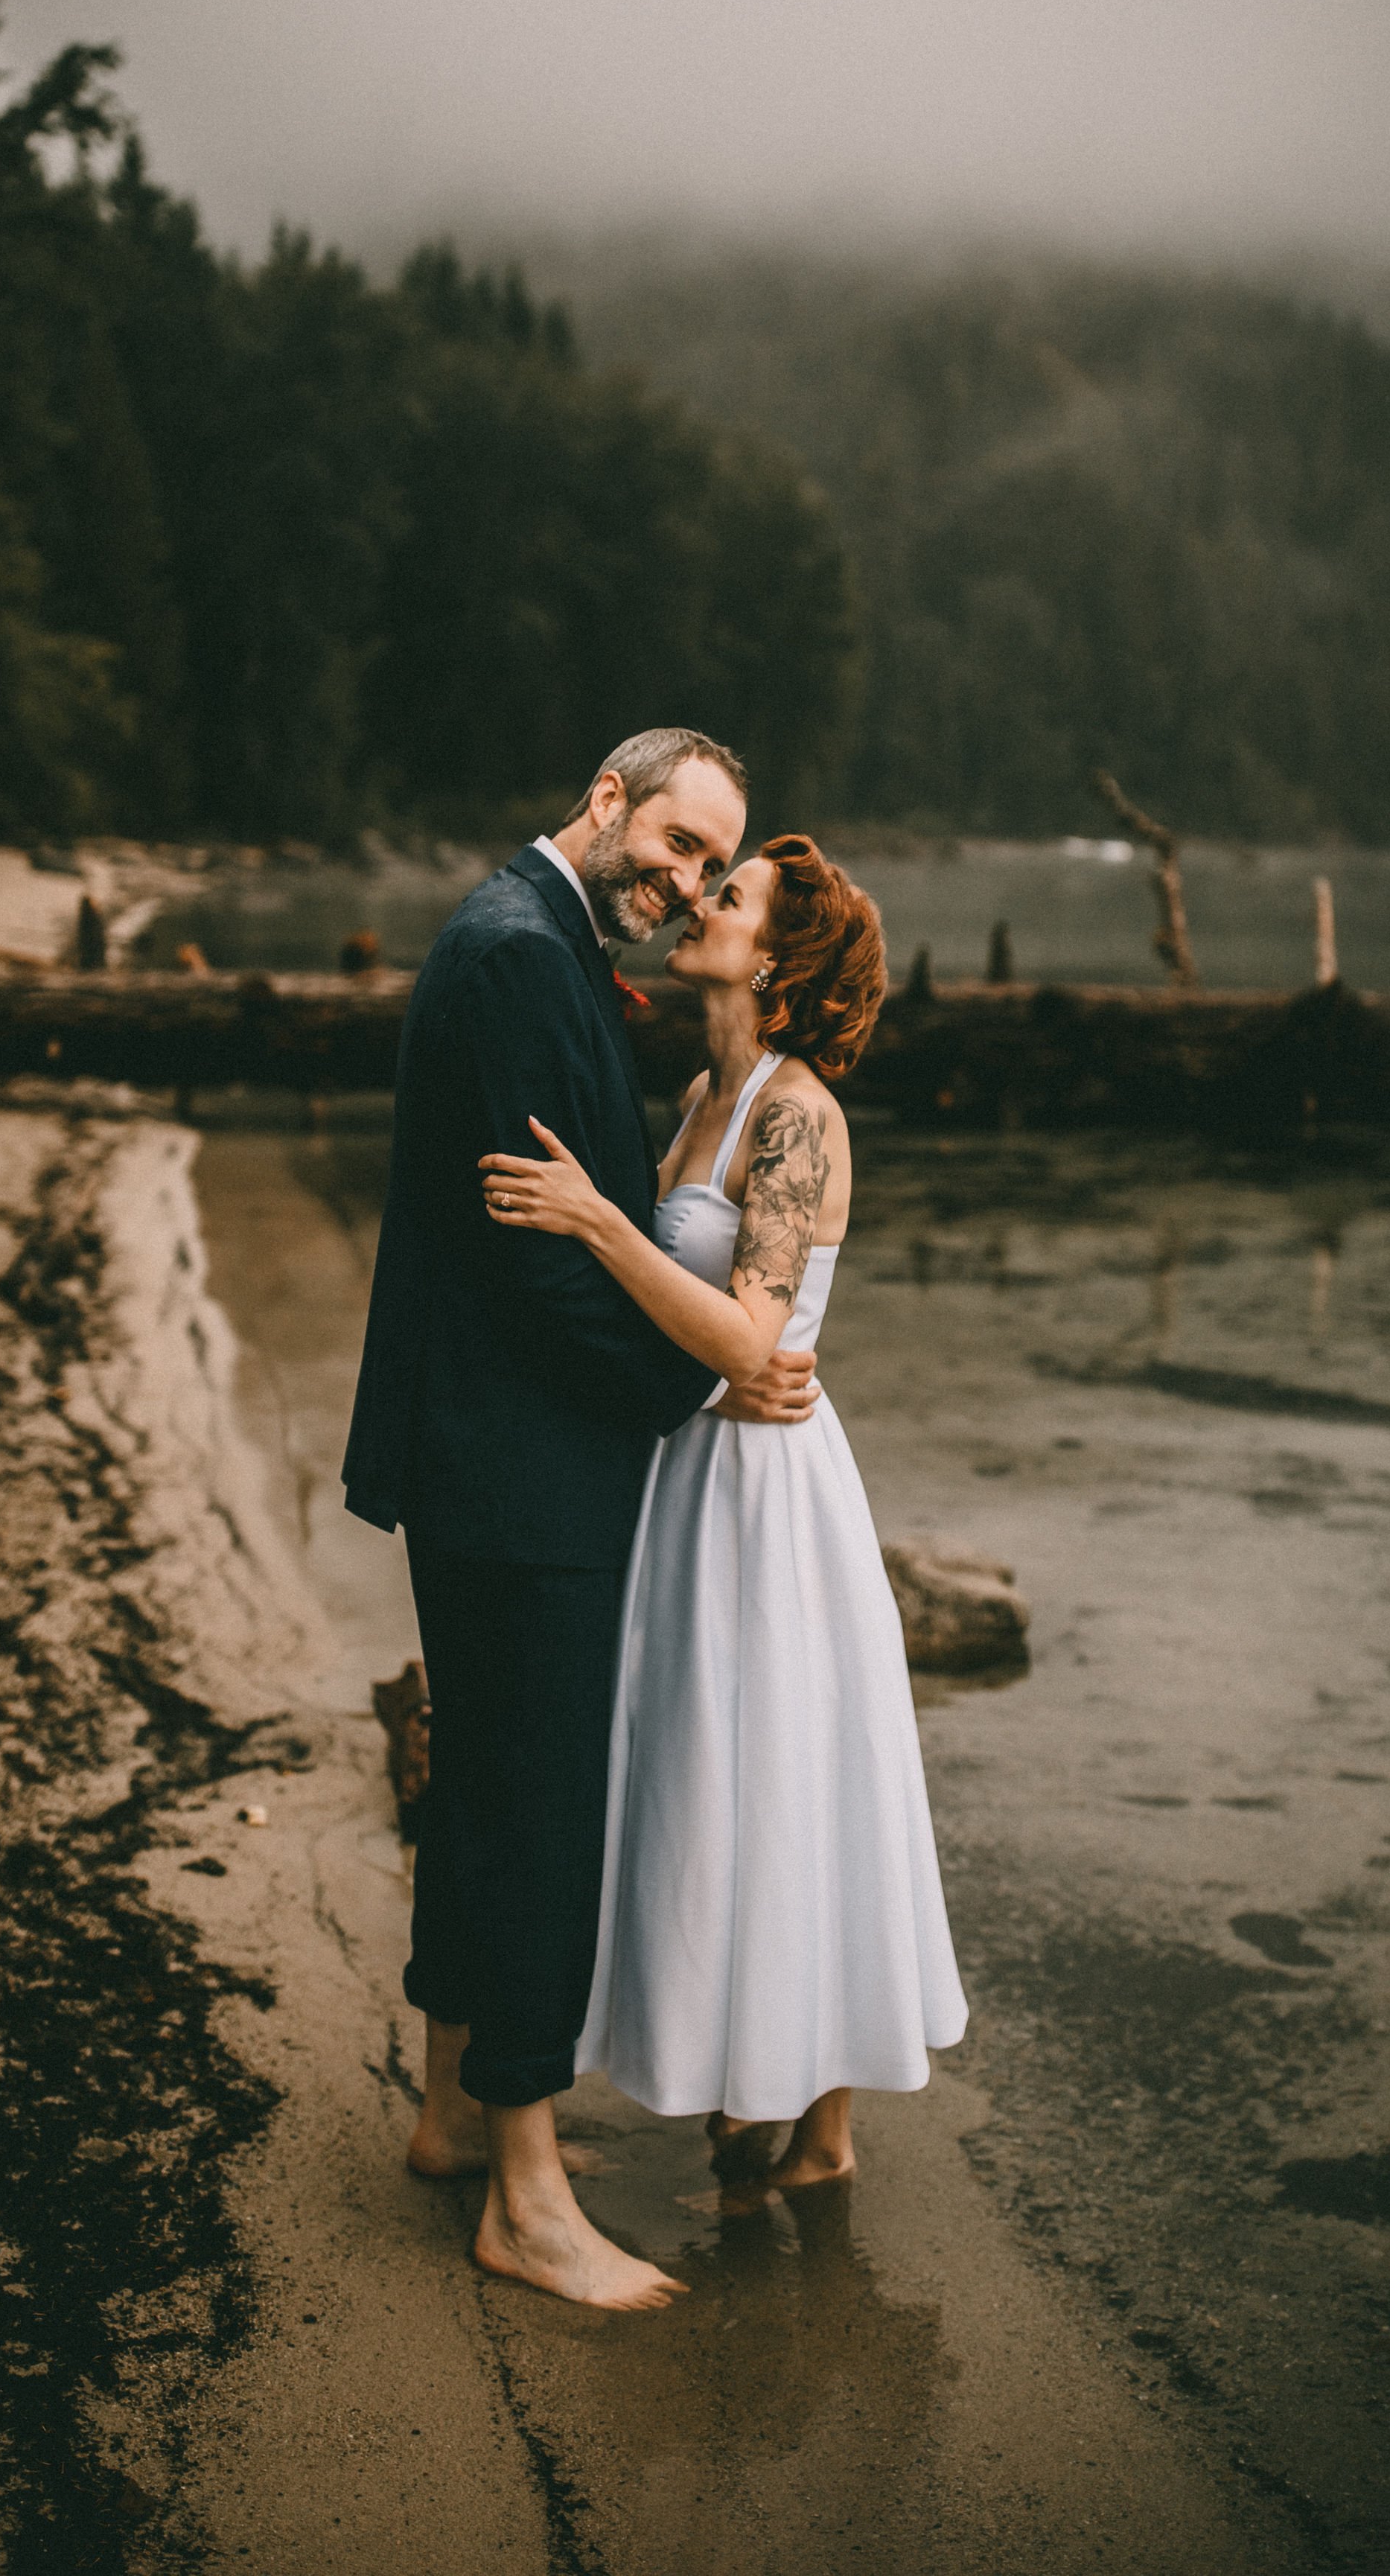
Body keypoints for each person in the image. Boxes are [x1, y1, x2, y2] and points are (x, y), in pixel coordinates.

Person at [342, 729, 821, 2312]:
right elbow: (537, 1264)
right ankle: (528, 2200)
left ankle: (449, 2115)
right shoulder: (515, 959)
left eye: (709, 867)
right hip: (518, 1463)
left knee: (489, 1777)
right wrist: (694, 1393)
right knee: (541, 1808)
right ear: (606, 800)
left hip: (493, 1450)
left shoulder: (528, 940)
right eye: (675, 841)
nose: (681, 882)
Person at [479, 834, 968, 2202]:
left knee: (787, 1775)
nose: (701, 896)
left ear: (779, 959)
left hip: (769, 1494)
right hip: (689, 1466)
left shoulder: (800, 1114)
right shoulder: (707, 1089)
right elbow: (709, 1348)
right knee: (710, 1775)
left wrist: (595, 1220)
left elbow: (757, 1343)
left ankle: (822, 2123)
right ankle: (762, 2083)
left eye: (731, 893)